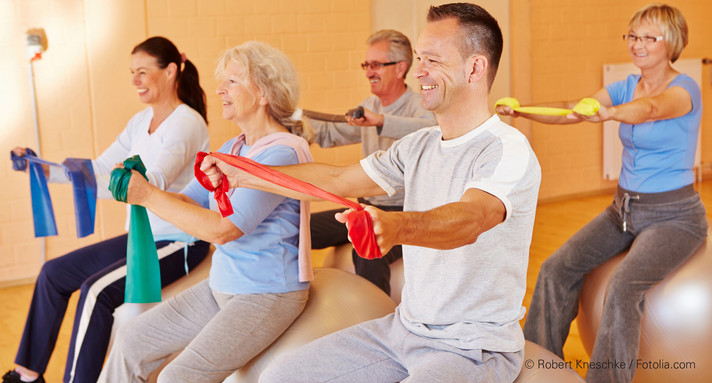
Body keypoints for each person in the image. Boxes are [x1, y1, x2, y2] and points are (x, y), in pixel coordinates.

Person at [201, 4, 541, 382]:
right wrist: (243, 174)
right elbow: (336, 181)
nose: (419, 71)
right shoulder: (419, 145)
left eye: (432, 60)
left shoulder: (506, 148)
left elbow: (472, 219)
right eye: (419, 58)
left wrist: (396, 227)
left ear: (475, 68)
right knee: (280, 377)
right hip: (402, 331)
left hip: (473, 348)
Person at [496, 4, 707, 383]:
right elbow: (570, 111)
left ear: (671, 43)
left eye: (648, 38)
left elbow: (652, 109)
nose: (637, 45)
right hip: (623, 211)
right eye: (632, 36)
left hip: (675, 217)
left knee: (624, 286)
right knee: (555, 268)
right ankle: (537, 366)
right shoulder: (624, 86)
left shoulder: (685, 87)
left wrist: (610, 113)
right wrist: (522, 111)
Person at [98, 41, 313, 383]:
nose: (219, 90)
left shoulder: (283, 153)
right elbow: (187, 200)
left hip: (267, 294)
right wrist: (143, 186)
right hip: (223, 285)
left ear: (263, 94)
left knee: (175, 378)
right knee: (130, 339)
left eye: (232, 81)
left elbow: (223, 229)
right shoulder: (233, 148)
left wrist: (148, 195)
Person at [3, 36, 211, 383]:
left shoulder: (187, 123)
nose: (135, 81)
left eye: (143, 72)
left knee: (96, 292)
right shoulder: (139, 121)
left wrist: (123, 180)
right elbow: (99, 170)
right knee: (53, 273)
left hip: (180, 241)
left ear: (171, 71)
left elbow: (152, 183)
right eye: (132, 73)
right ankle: (27, 375)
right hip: (142, 238)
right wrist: (40, 168)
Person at [308, 29, 436, 295]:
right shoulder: (370, 105)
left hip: (403, 215)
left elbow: (431, 130)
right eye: (367, 65)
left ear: (400, 68)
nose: (368, 72)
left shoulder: (419, 106)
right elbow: (333, 132)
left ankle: (378, 323)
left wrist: (380, 121)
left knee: (368, 251)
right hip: (363, 211)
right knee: (298, 229)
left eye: (376, 65)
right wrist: (294, 127)